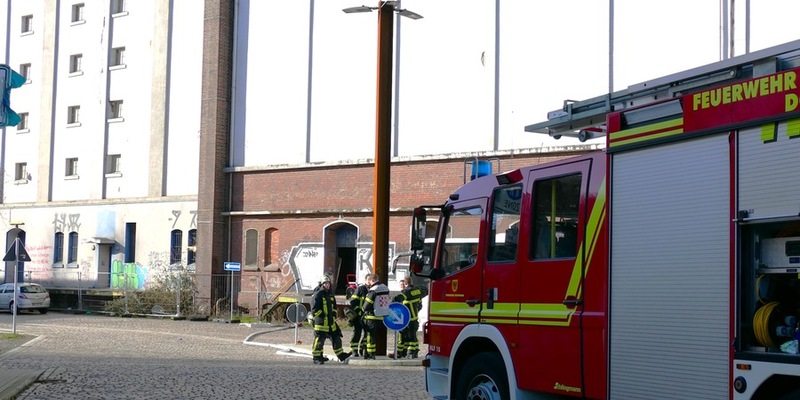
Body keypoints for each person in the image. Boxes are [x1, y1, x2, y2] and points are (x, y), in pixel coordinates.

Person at [310, 274, 351, 364]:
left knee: (336, 337)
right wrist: (323, 317)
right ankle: (317, 357)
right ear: (321, 284)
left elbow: (334, 308)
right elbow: (314, 309)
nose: (327, 285)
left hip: (330, 322)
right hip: (321, 323)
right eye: (325, 283)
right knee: (319, 340)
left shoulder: (330, 295)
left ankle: (341, 355)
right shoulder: (318, 294)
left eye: (328, 283)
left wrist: (333, 316)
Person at [393, 276, 426, 358]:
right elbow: (420, 305)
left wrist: (392, 301)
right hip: (414, 316)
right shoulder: (417, 291)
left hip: (406, 318)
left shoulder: (406, 291)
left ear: (405, 283)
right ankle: (413, 352)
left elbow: (398, 299)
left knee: (405, 335)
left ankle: (404, 352)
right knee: (413, 335)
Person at [361, 273, 390, 360]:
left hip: (372, 316)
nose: (368, 283)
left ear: (372, 280)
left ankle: (371, 354)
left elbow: (366, 305)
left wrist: (362, 309)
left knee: (370, 337)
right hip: (382, 316)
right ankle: (367, 352)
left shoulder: (373, 290)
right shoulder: (385, 287)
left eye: (369, 281)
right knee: (375, 336)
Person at [347, 278, 369, 356]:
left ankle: (363, 348)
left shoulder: (371, 290)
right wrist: (358, 310)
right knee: (357, 333)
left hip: (367, 316)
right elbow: (353, 302)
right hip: (358, 316)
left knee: (367, 334)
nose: (369, 282)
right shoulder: (360, 289)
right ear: (365, 280)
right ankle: (354, 350)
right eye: (368, 280)